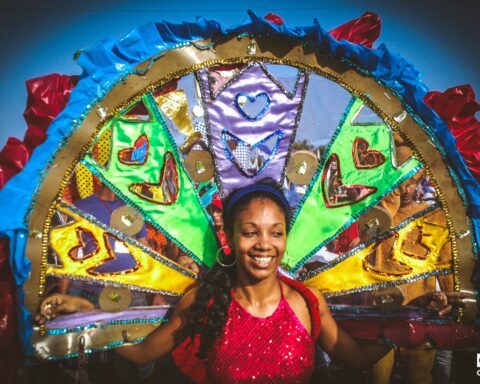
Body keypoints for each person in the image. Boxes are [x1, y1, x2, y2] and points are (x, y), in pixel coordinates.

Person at [37, 182, 453, 383]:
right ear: (232, 239)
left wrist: (415, 320)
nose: (264, 244)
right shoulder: (206, 301)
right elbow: (145, 351)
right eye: (251, 232)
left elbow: (356, 360)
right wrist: (86, 315)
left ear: (286, 239)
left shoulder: (307, 305)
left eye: (275, 232)